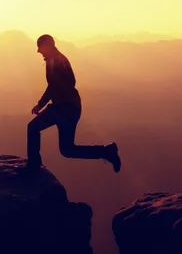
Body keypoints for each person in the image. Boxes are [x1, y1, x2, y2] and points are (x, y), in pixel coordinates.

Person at [21, 34, 121, 175]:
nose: (39, 51)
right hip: (69, 108)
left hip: (64, 109)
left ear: (48, 45)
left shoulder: (57, 61)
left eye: (40, 48)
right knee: (67, 150)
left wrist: (40, 105)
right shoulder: (56, 60)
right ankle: (107, 151)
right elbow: (64, 83)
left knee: (33, 128)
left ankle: (33, 165)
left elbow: (54, 86)